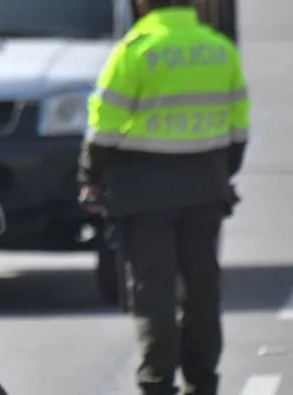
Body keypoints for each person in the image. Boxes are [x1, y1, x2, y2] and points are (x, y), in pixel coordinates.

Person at [78, 0, 249, 394]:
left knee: (154, 294)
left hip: (142, 195)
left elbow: (103, 127)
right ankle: (202, 382)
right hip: (205, 187)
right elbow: (239, 127)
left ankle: (157, 383)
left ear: (142, 3)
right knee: (201, 291)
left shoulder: (134, 51)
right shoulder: (219, 49)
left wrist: (91, 175)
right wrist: (221, 172)